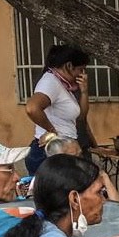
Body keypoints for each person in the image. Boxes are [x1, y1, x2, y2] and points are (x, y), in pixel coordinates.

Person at [25, 45, 95, 174]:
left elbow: (80, 117)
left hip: (66, 149)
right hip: (52, 152)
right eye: (81, 69)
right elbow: (32, 108)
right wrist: (52, 131)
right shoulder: (50, 82)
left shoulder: (63, 85)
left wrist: (84, 91)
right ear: (69, 66)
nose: (83, 74)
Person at [26, 137, 119, 202]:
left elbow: (117, 206)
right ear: (57, 160)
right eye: (74, 156)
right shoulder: (42, 180)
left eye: (80, 154)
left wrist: (105, 178)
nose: (81, 160)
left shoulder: (88, 177)